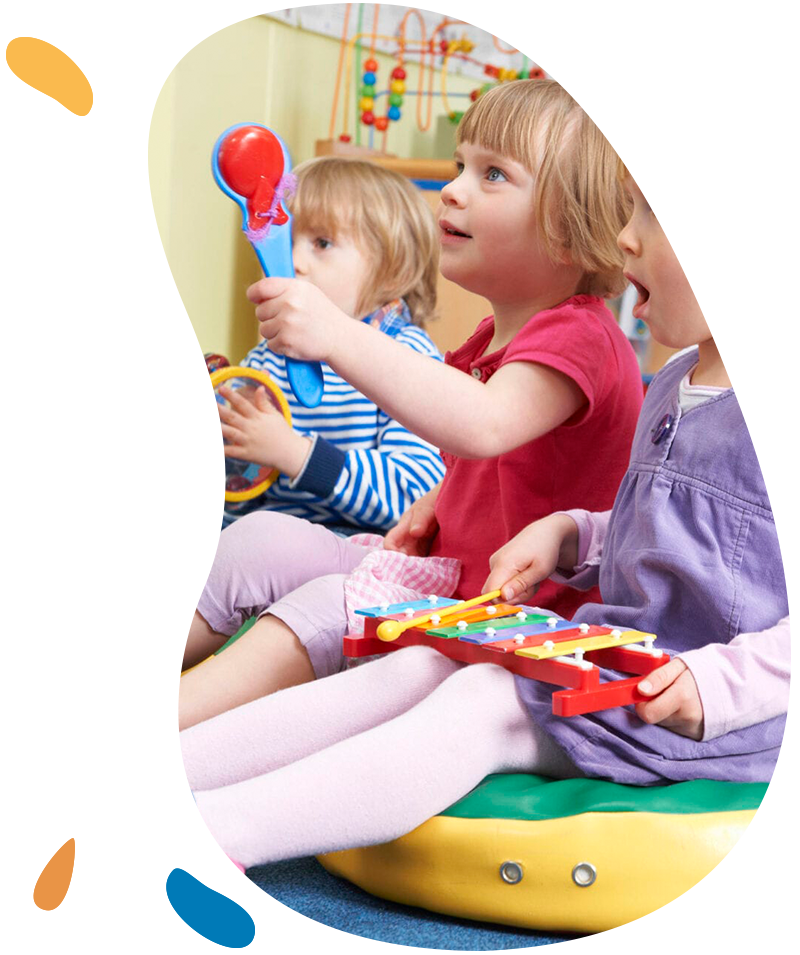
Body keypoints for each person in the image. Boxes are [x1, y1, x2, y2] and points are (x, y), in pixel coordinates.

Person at [119, 76, 654, 941]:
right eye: (459, 165)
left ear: (570, 224)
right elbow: (490, 447)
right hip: (452, 582)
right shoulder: (494, 339)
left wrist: (336, 334)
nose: (453, 188)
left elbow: (483, 423)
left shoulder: (583, 335)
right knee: (261, 538)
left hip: (510, 620)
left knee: (331, 598)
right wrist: (435, 500)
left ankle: (142, 746)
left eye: (493, 175)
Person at [117, 156, 446, 615]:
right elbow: (238, 490)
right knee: (124, 511)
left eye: (323, 243)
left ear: (391, 268)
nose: (293, 261)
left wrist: (296, 454)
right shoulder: (268, 356)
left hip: (347, 557)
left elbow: (412, 498)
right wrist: (205, 457)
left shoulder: (405, 355)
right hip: (252, 548)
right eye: (287, 240)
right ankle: (145, 653)